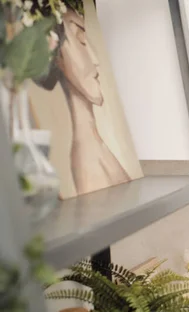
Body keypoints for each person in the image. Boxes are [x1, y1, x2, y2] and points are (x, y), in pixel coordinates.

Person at [35, 2, 131, 195]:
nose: (96, 59)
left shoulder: (98, 150)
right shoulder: (88, 164)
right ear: (56, 55)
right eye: (81, 40)